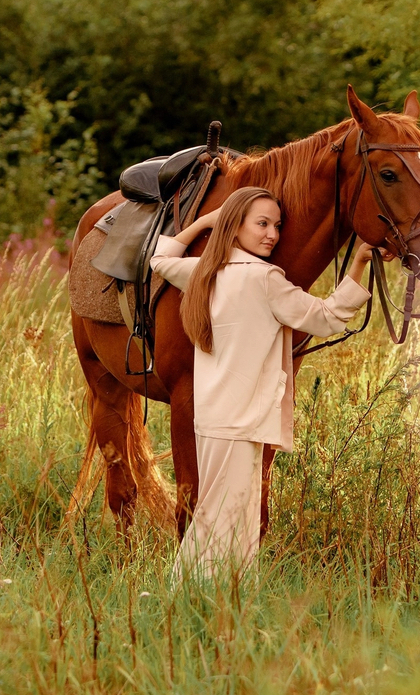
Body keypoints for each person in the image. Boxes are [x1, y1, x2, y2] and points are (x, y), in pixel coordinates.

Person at [150, 186, 386, 581]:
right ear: (235, 226)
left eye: (276, 226)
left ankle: (229, 598)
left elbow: (160, 259)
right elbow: (325, 318)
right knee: (222, 521)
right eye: (261, 224)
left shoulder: (205, 271)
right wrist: (359, 262)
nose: (272, 235)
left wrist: (205, 223)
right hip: (241, 421)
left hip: (213, 419)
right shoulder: (264, 278)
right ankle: (186, 597)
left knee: (228, 519)